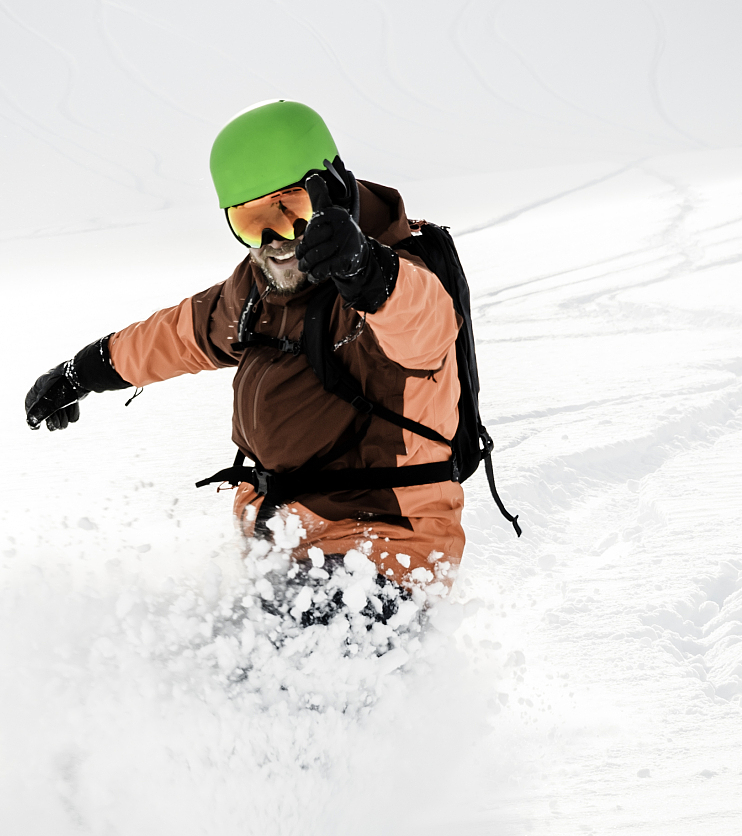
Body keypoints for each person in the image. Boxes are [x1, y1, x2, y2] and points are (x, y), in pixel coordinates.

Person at [23, 100, 468, 588]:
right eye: (252, 220)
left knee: (266, 660)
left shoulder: (396, 284)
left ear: (335, 193)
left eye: (291, 208)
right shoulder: (260, 289)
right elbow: (176, 335)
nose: (277, 238)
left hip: (383, 551)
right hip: (282, 545)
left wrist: (366, 272)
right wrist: (81, 373)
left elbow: (424, 325)